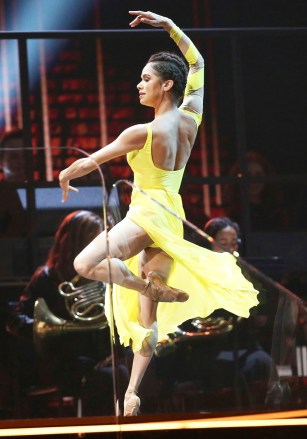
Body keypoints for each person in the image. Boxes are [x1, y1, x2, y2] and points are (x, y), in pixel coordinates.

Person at [59, 11, 259, 416]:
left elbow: (90, 162)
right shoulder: (191, 121)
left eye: (146, 79)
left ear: (166, 84)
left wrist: (65, 173)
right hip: (170, 219)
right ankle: (132, 392)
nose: (139, 84)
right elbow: (198, 63)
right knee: (147, 321)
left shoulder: (140, 132)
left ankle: (147, 287)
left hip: (144, 215)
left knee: (84, 263)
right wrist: (169, 26)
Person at [5, 210, 123, 417]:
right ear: (78, 243)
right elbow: (15, 320)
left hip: (101, 356)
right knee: (110, 377)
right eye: (94, 242)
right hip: (64, 360)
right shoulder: (47, 277)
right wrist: (56, 329)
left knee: (131, 369)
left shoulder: (104, 274)